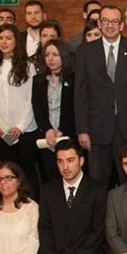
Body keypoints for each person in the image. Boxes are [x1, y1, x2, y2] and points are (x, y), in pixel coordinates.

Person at [74, 5, 127, 187]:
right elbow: (80, 94)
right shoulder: (85, 51)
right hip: (96, 129)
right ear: (99, 24)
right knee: (98, 182)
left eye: (115, 21)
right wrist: (82, 129)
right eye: (106, 21)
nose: (110, 25)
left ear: (122, 25)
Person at [0, 24, 41, 193]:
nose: (4, 42)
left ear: (16, 41)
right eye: (0, 38)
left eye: (8, 38)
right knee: (9, 172)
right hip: (2, 130)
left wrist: (20, 126)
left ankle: (32, 205)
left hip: (25, 129)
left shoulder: (27, 66)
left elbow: (31, 99)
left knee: (27, 171)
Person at [33, 39, 76, 185]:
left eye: (55, 54)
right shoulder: (38, 81)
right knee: (50, 178)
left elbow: (74, 108)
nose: (51, 59)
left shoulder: (74, 79)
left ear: (63, 56)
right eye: (47, 55)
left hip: (67, 135)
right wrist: (48, 129)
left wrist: (61, 130)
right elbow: (37, 108)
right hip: (46, 138)